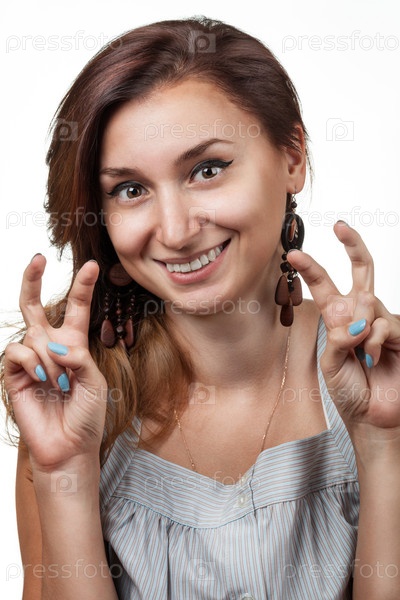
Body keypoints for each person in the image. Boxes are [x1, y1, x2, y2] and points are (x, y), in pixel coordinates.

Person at [2, 16, 400, 600]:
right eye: (131, 189)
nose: (175, 230)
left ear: (292, 157)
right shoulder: (70, 405)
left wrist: (384, 445)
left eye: (207, 170)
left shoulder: (384, 383)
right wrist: (64, 470)